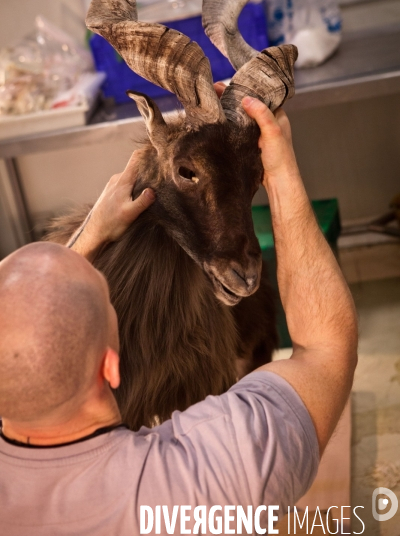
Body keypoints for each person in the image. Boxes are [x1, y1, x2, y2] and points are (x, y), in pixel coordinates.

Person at [0, 95, 358, 535]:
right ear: (110, 365)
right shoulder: (208, 479)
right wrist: (282, 172)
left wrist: (91, 235)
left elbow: (27, 305)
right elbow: (327, 348)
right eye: (107, 305)